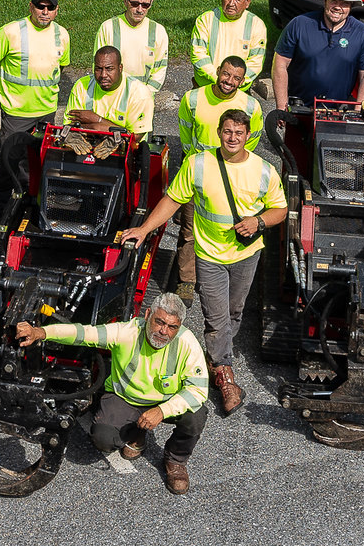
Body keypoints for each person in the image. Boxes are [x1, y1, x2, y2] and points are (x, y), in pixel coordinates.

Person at [119, 110, 283, 417]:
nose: (232, 137)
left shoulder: (264, 171)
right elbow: (172, 199)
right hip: (209, 257)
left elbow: (280, 210)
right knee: (217, 315)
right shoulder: (198, 165)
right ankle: (226, 376)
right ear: (218, 133)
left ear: (248, 135)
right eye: (227, 131)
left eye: (239, 132)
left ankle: (217, 357)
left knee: (234, 312)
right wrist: (144, 228)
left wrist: (258, 221)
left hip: (247, 255)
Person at [15, 292, 210, 494]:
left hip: (165, 404)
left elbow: (198, 390)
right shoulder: (127, 331)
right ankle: (137, 433)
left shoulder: (187, 342)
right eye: (159, 322)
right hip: (125, 400)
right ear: (148, 315)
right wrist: (41, 333)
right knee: (103, 438)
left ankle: (176, 461)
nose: (163, 331)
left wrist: (161, 411)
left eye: (172, 327)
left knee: (196, 414)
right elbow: (83, 334)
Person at [0, 0, 71, 245]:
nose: (45, 11)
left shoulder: (62, 35)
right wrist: (1, 93)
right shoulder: (10, 32)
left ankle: (32, 219)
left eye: (50, 7)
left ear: (56, 10)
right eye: (40, 6)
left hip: (46, 113)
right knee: (8, 168)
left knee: (41, 168)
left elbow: (59, 68)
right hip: (17, 113)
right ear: (30, 7)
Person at [171, 55, 265, 299]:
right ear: (217, 71)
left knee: (226, 224)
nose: (229, 81)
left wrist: (234, 164)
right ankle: (186, 282)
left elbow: (251, 140)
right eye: (226, 74)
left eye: (236, 78)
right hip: (197, 174)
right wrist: (198, 165)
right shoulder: (193, 99)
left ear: (243, 81)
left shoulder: (252, 107)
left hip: (233, 176)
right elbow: (185, 133)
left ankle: (222, 275)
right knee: (189, 229)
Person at [272, 0, 364, 108]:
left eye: (344, 3)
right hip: (299, 107)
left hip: (339, 112)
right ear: (325, 0)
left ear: (350, 7)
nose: (338, 7)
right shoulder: (299, 24)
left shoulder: (363, 33)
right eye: (333, 0)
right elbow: (280, 64)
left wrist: (357, 113)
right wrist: (282, 107)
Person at [190, 0, 268, 90]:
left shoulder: (256, 25)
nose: (231, 3)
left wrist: (233, 82)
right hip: (207, 87)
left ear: (248, 2)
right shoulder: (205, 20)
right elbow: (198, 55)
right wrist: (218, 79)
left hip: (238, 91)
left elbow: (256, 62)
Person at [96, 0, 170, 93]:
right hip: (113, 96)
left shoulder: (158, 32)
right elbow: (98, 66)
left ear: (151, 3)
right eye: (135, 4)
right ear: (125, 1)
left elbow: (160, 69)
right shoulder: (108, 28)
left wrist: (146, 95)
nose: (140, 10)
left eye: (145, 5)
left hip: (144, 97)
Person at [64, 46, 156, 135]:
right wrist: (104, 128)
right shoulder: (81, 86)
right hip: (87, 144)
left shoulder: (139, 93)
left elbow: (134, 137)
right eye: (98, 69)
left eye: (109, 69)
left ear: (120, 68)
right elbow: (69, 128)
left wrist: (97, 121)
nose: (103, 75)